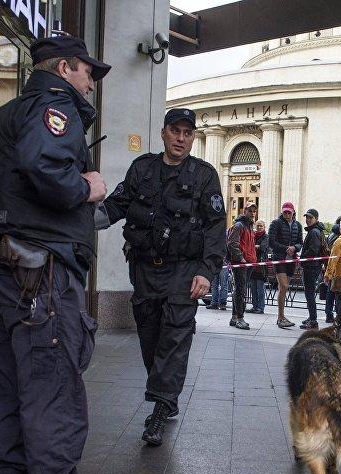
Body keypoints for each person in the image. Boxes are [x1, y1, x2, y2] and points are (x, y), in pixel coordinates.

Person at [0, 35, 111, 474]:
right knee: (52, 391)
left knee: (9, 391)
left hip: (4, 269)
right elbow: (46, 168)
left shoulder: (5, 115)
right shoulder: (56, 106)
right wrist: (86, 188)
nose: (92, 82)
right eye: (88, 72)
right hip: (40, 276)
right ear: (66, 68)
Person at [100, 108, 225, 446]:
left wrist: (206, 271)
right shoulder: (142, 168)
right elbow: (117, 205)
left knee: (174, 338)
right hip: (144, 269)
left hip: (184, 271)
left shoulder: (204, 175)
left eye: (187, 132)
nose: (181, 138)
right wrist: (81, 219)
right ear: (164, 133)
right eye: (175, 131)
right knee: (150, 338)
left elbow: (215, 227)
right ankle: (165, 395)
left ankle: (159, 409)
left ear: (193, 137)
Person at [267, 202, 303, 328]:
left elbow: (300, 242)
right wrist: (285, 248)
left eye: (289, 212)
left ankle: (281, 317)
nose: (287, 214)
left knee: (284, 288)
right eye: (285, 212)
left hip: (291, 260)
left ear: (293, 212)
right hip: (279, 258)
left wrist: (294, 248)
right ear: (282, 212)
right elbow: (271, 242)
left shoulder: (298, 225)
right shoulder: (275, 223)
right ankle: (280, 317)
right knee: (284, 285)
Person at [227, 203, 257, 330]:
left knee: (240, 290)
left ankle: (235, 317)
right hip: (241, 263)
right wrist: (241, 258)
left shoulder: (249, 226)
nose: (252, 213)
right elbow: (232, 243)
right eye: (250, 210)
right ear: (244, 211)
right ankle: (240, 318)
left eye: (254, 211)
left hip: (249, 263)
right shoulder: (239, 225)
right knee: (240, 291)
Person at [299, 209, 326, 329]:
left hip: (311, 266)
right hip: (313, 266)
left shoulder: (314, 232)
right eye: (307, 217)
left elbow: (313, 251)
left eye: (310, 218)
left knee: (309, 294)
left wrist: (302, 258)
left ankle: (313, 320)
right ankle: (311, 317)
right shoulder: (315, 230)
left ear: (316, 218)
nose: (307, 220)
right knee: (309, 293)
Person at [248, 219, 270, 314]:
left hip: (261, 266)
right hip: (252, 265)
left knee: (260, 288)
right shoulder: (253, 236)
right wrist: (255, 246)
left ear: (264, 227)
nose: (259, 227)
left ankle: (261, 308)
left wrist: (255, 246)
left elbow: (263, 247)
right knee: (253, 288)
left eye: (261, 226)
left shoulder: (266, 237)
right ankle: (254, 306)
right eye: (258, 226)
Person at [323, 218, 341, 323]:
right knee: (336, 293)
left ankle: (328, 314)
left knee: (330, 293)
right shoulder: (339, 237)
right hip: (338, 268)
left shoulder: (331, 234)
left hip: (331, 268)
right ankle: (335, 315)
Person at [206, 243, 230, 310]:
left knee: (222, 285)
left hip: (222, 264)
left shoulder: (223, 241)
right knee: (216, 285)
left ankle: (221, 303)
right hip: (216, 265)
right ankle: (216, 303)